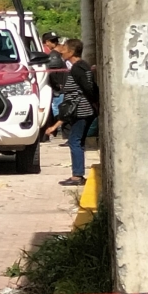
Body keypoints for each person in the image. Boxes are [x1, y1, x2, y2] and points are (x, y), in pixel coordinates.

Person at [51, 38, 98, 187]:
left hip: (81, 111)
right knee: (78, 141)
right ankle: (78, 173)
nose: (61, 51)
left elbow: (88, 89)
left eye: (64, 48)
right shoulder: (82, 66)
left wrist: (91, 104)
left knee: (74, 141)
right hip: (83, 110)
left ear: (71, 52)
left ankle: (77, 176)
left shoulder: (78, 69)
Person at [39, 31, 67, 140]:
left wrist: (57, 86)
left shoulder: (54, 56)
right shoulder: (54, 56)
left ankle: (59, 131)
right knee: (59, 110)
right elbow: (52, 74)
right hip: (58, 90)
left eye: (56, 40)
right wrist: (57, 86)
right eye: (53, 41)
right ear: (47, 42)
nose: (56, 42)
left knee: (59, 110)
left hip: (58, 91)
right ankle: (58, 131)